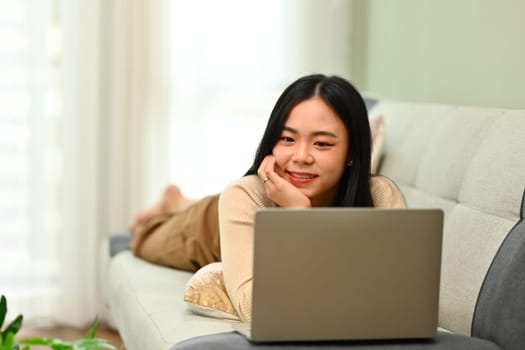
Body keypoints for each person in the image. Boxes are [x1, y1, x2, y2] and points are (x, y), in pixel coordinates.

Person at [128, 73, 406, 321]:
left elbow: (397, 293)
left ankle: (180, 202)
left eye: (322, 143)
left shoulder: (380, 196)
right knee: (143, 239)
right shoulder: (245, 196)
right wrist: (300, 218)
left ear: (353, 154)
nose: (300, 157)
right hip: (209, 227)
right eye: (287, 139)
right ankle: (175, 205)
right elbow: (252, 307)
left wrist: (301, 213)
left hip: (240, 206)